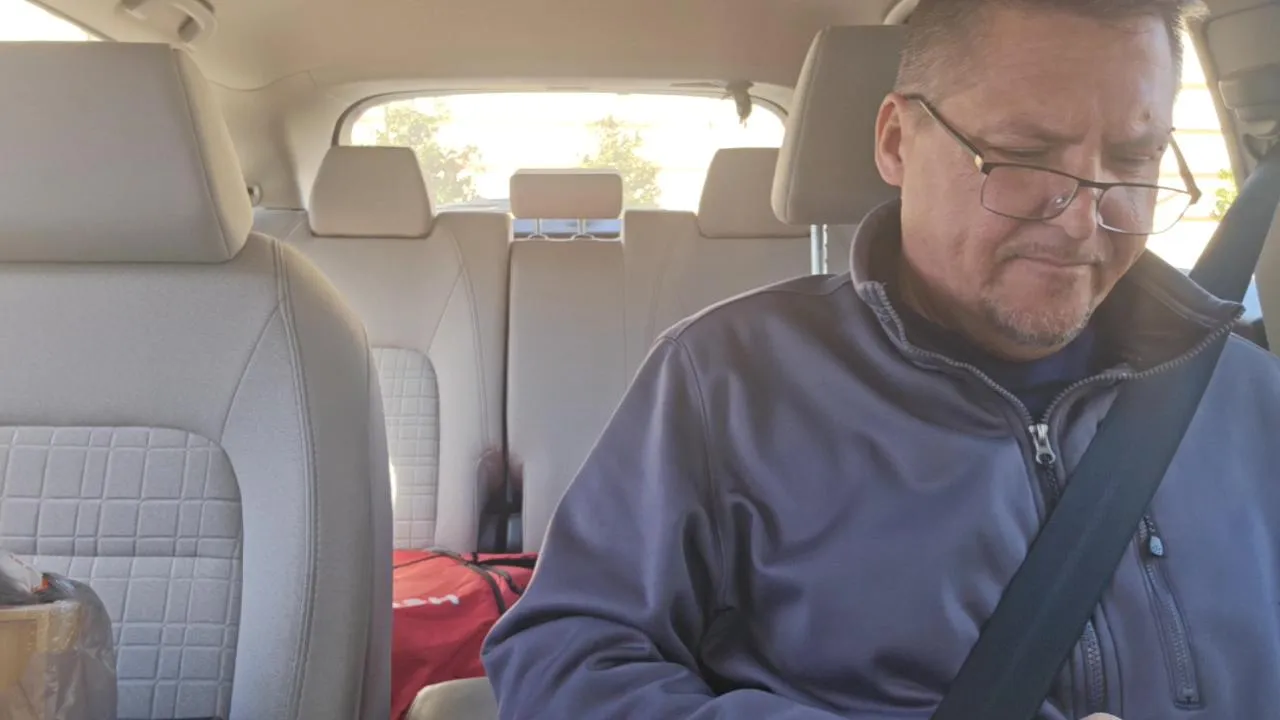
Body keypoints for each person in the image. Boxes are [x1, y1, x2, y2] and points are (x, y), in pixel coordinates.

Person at [482, 0, 1280, 717]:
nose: (1083, 221)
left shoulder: (1247, 394)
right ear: (898, 142)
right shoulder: (727, 381)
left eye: (1134, 162)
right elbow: (561, 657)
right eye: (1024, 154)